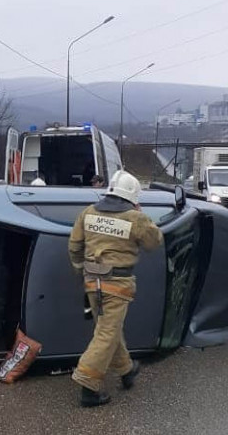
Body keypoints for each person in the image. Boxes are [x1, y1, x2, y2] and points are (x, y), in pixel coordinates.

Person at [68, 169, 163, 407]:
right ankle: (88, 385)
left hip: (92, 282)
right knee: (107, 333)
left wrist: (81, 271)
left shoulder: (87, 213)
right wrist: (142, 216)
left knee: (109, 329)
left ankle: (127, 370)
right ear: (132, 196)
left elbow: (74, 246)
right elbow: (154, 242)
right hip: (117, 286)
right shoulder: (135, 218)